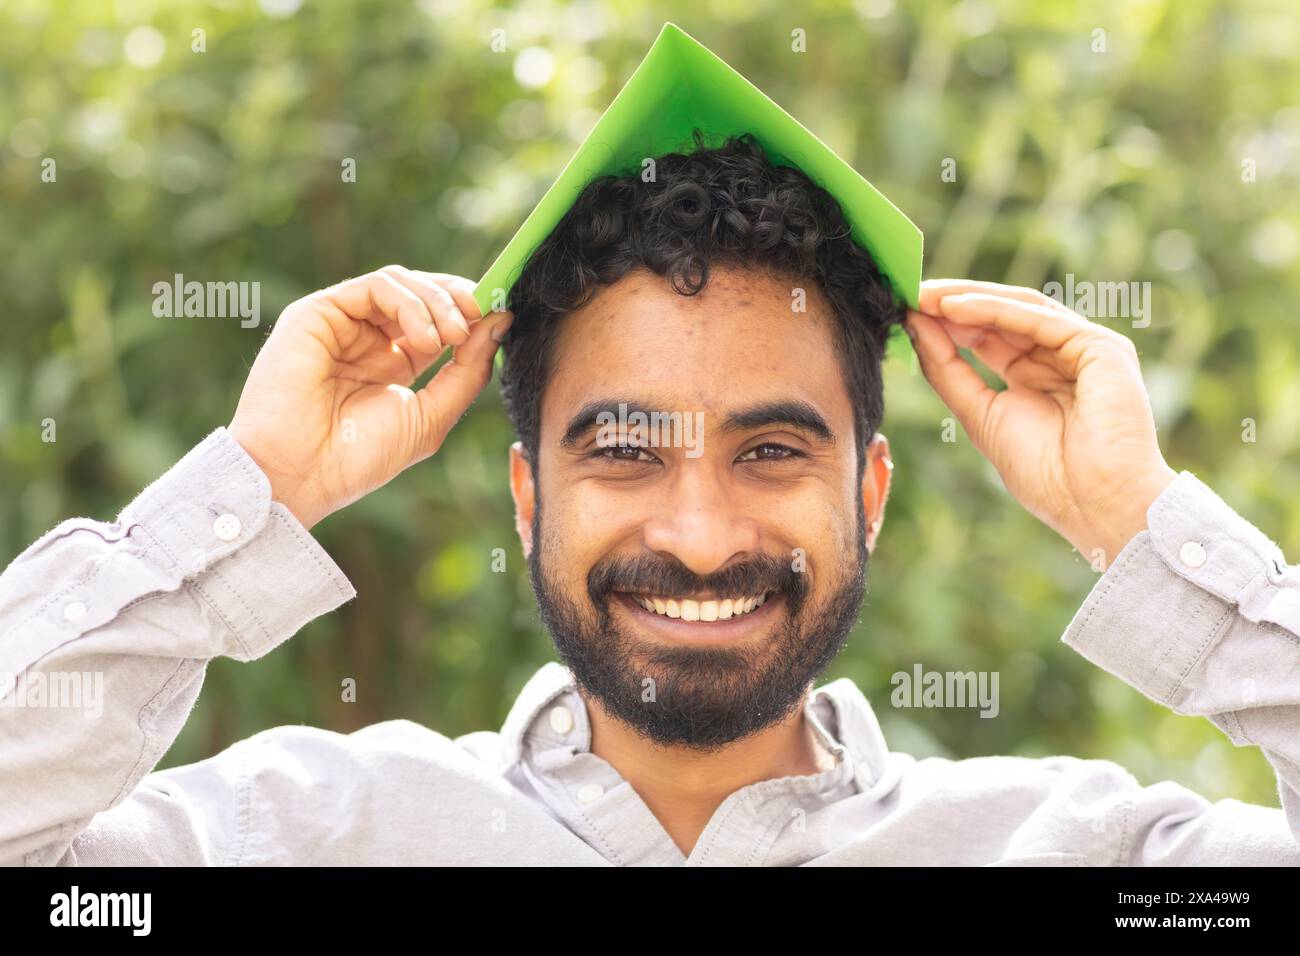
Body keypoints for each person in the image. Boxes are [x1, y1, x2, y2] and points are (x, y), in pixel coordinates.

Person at [2, 137, 1297, 866]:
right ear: (528, 496)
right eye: (624, 451)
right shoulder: (305, 840)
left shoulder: (1096, 864)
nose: (698, 532)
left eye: (772, 451)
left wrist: (1138, 525)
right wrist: (254, 494)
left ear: (872, 491)